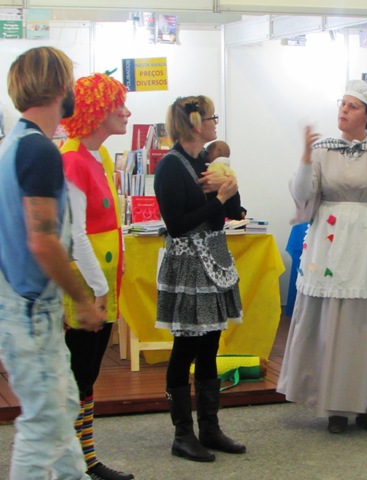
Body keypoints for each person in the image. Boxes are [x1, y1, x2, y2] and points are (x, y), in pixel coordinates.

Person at [277, 79, 367, 434]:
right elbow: (302, 194)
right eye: (342, 104)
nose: (343, 110)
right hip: (330, 244)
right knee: (332, 325)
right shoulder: (324, 150)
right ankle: (335, 407)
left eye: (352, 106)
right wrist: (306, 158)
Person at [0, 46, 104, 479]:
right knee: (44, 425)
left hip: (23, 303)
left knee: (60, 412)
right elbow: (43, 241)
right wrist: (82, 299)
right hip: (30, 309)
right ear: (59, 86)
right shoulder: (39, 151)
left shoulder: (15, 145)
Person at [154, 95, 246, 463]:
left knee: (211, 344)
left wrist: (230, 191)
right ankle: (183, 434)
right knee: (186, 347)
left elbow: (230, 214)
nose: (214, 123)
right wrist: (217, 199)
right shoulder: (171, 167)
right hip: (189, 265)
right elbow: (176, 225)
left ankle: (210, 427)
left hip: (213, 258)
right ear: (195, 123)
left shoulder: (204, 162)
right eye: (211, 117)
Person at [59, 73, 134, 480]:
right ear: (97, 110)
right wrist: (100, 290)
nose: (126, 111)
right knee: (76, 378)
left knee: (86, 379)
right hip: (87, 290)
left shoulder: (98, 157)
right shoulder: (71, 159)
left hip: (102, 288)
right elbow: (75, 235)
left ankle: (84, 459)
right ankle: (71, 463)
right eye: (118, 105)